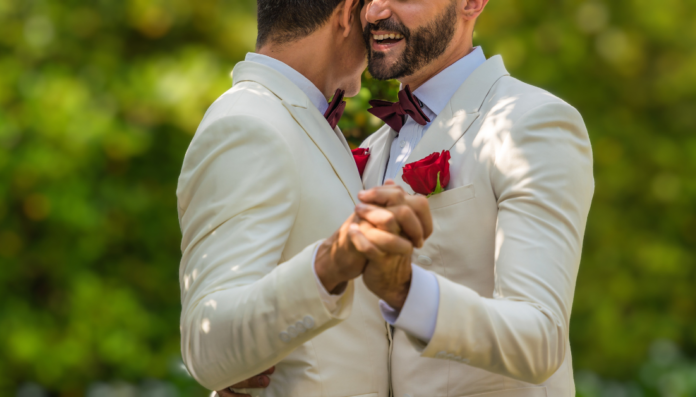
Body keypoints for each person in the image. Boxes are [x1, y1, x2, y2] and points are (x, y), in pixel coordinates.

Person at [238, 0, 595, 396]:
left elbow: (540, 341)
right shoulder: (370, 150)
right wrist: (249, 364)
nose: (374, 11)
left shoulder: (531, 122)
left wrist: (405, 291)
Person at [176, 0, 433, 396]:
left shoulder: (301, 121)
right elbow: (208, 344)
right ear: (348, 13)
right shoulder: (248, 123)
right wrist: (330, 263)